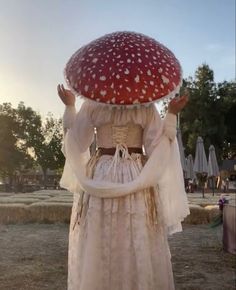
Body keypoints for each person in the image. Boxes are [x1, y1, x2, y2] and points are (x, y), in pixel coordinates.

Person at [58, 84, 189, 290]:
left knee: (107, 227)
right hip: (133, 172)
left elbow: (76, 141)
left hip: (103, 172)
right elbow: (158, 146)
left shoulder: (95, 104)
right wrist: (170, 116)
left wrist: (71, 108)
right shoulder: (144, 107)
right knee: (129, 226)